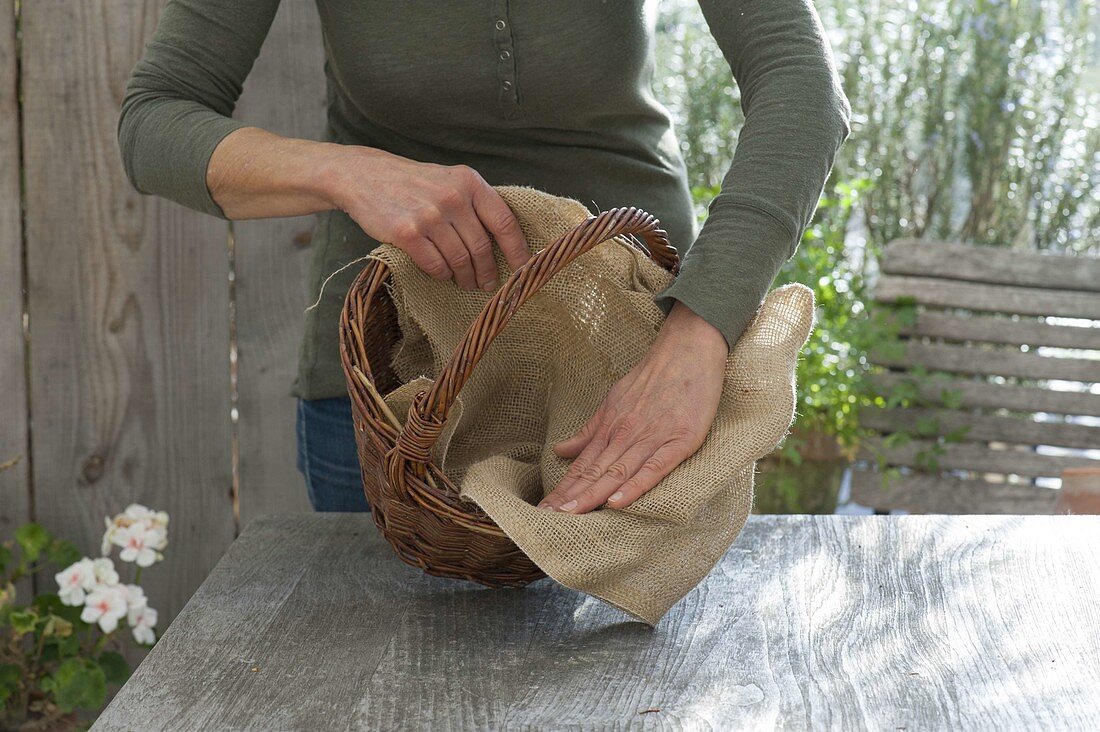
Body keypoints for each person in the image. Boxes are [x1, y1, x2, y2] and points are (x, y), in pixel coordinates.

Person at [118, 1, 850, 516]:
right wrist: (350, 171)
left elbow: (802, 85)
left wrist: (700, 330)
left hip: (635, 361)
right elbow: (154, 123)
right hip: (392, 384)